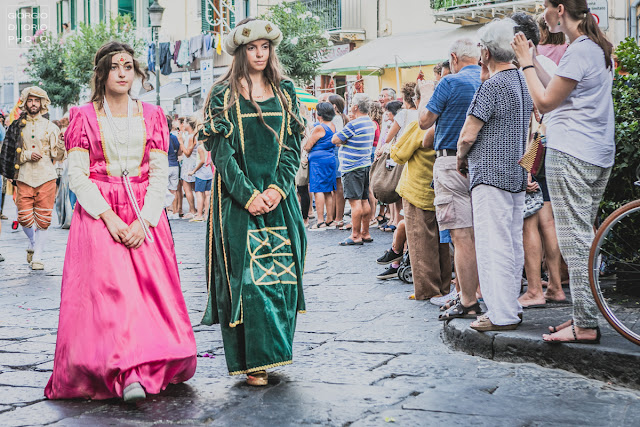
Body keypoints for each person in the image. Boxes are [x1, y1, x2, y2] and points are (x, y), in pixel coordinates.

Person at [45, 41, 197, 402]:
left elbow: (161, 173)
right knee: (113, 294)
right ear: (102, 73)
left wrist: (145, 220)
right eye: (115, 66)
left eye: (128, 66)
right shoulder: (83, 116)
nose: (123, 72)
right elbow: (78, 175)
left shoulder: (153, 115)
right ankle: (125, 371)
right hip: (100, 212)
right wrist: (110, 219)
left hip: (144, 210)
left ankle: (151, 363)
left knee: (147, 294)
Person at [199, 18, 307, 386]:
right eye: (252, 48)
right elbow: (221, 153)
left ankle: (275, 351)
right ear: (240, 52)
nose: (260, 54)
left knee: (282, 279)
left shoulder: (286, 91)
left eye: (265, 47)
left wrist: (278, 189)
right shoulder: (222, 95)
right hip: (238, 203)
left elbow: (292, 146)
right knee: (248, 282)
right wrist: (248, 195)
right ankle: (253, 362)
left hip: (280, 201)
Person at [513, 0, 615, 344]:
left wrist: (526, 62)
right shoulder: (592, 48)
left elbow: (543, 103)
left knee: (575, 241)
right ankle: (582, 316)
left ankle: (585, 323)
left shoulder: (579, 51)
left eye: (545, 7)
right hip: (596, 152)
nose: (543, 15)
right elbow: (559, 86)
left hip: (572, 151)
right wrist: (534, 62)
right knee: (581, 236)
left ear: (559, 9)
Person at [456, 18, 533, 331]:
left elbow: (467, 136)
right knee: (511, 244)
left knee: (492, 245)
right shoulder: (522, 82)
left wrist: (461, 158)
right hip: (515, 172)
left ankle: (500, 314)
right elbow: (530, 130)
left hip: (488, 173)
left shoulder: (490, 87)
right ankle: (510, 307)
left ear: (486, 53)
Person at [418, 38, 482, 320]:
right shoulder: (489, 79)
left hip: (451, 161)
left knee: (462, 235)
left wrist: (425, 92)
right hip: (484, 162)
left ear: (454, 58)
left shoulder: (449, 82)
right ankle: (477, 292)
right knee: (483, 234)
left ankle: (467, 298)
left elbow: (424, 121)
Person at [510, 12, 567, 308]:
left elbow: (530, 119)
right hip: (551, 145)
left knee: (528, 222)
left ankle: (534, 290)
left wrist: (527, 166)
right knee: (548, 221)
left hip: (532, 150)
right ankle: (556, 286)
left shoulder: (521, 69)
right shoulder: (550, 65)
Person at [391, 86, 451, 300]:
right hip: (441, 187)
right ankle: (444, 287)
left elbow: (398, 154)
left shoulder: (419, 125)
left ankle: (427, 290)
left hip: (418, 190)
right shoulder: (447, 119)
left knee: (421, 243)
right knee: (443, 243)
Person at [12, 87, 63, 270]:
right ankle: (33, 242)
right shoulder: (16, 127)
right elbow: (10, 152)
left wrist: (62, 144)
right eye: (30, 100)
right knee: (24, 218)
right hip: (24, 177)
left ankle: (38, 256)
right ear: (25, 103)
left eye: (37, 101)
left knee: (43, 219)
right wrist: (26, 155)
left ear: (42, 103)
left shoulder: (52, 127)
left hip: (46, 177)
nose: (33, 104)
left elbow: (58, 155)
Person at [332, 93, 375, 246]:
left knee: (355, 203)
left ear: (356, 107)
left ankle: (355, 235)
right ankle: (365, 232)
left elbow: (335, 139)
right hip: (364, 166)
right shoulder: (370, 123)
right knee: (364, 201)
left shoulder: (354, 124)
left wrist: (342, 141)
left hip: (351, 167)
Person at [304, 102, 337, 230]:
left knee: (318, 190)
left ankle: (320, 221)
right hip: (329, 158)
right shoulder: (332, 125)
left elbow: (308, 145)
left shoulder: (320, 128)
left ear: (320, 114)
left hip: (318, 160)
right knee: (328, 190)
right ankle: (330, 219)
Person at [328, 94, 348, 228]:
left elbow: (337, 139)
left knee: (338, 185)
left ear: (334, 106)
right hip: (334, 152)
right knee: (336, 186)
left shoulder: (336, 119)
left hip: (336, 152)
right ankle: (336, 215)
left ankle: (339, 217)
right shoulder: (338, 118)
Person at [179, 117, 198, 219]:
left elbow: (187, 153)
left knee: (187, 188)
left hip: (189, 165)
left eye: (185, 123)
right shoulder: (193, 136)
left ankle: (192, 210)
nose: (183, 125)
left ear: (189, 124)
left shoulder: (191, 137)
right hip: (192, 164)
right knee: (196, 188)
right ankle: (199, 208)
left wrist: (181, 142)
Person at [166, 115, 182, 219]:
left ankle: (168, 211)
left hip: (165, 165)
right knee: (174, 190)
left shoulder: (162, 137)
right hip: (175, 165)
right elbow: (179, 151)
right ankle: (175, 212)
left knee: (165, 190)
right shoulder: (174, 138)